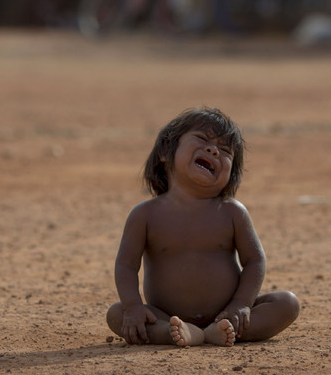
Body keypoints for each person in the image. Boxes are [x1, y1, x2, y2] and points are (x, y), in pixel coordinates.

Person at [106, 107, 300, 347]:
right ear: (166, 153)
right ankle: (176, 332)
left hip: (227, 313)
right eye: (201, 139)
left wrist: (240, 304)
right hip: (166, 316)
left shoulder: (232, 212)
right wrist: (134, 306)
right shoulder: (145, 214)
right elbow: (126, 265)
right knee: (118, 314)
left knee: (287, 303)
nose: (213, 150)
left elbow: (255, 261)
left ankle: (220, 331)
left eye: (225, 150)